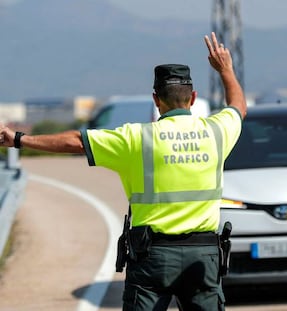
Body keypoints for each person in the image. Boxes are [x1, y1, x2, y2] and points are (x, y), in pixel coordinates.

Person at [0, 32, 247, 311]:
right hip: (203, 256)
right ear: (193, 98)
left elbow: (77, 141)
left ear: (156, 99)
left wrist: (19, 139)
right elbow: (238, 107)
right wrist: (225, 69)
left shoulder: (136, 138)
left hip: (153, 257)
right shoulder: (216, 132)